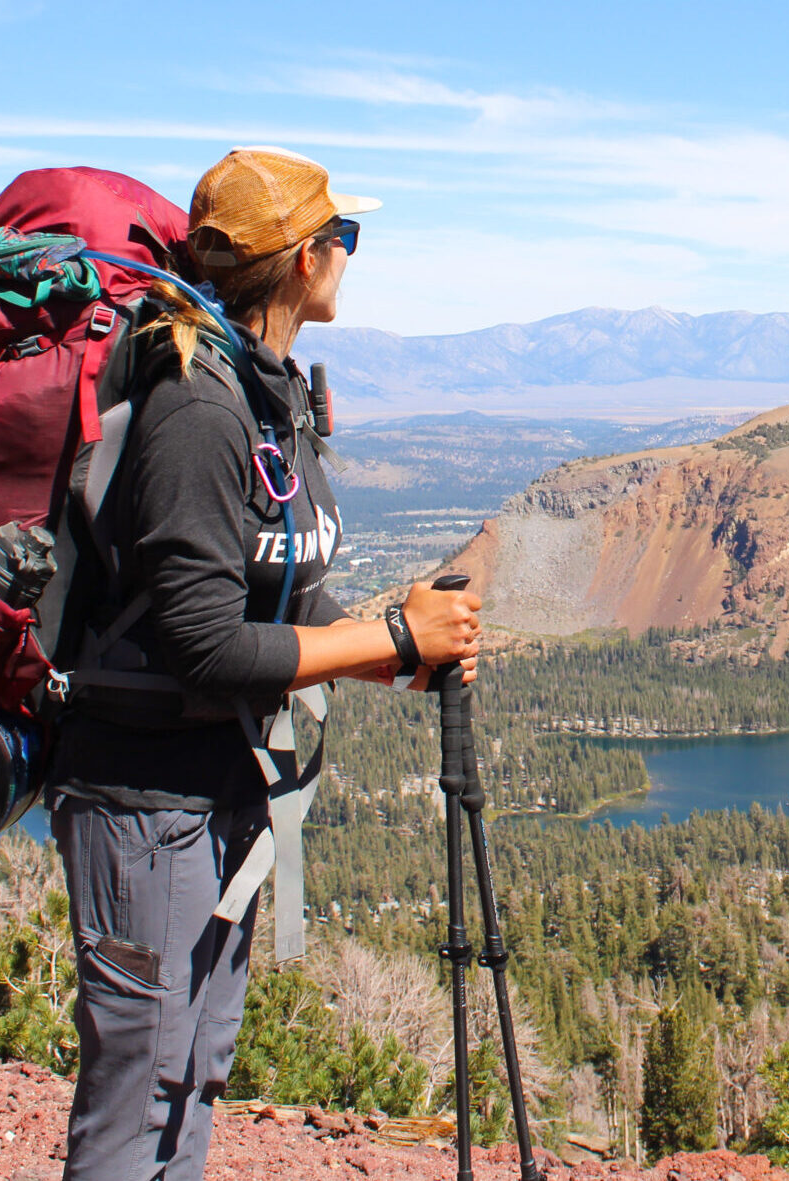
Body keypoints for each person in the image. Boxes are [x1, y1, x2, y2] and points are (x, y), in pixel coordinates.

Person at [46, 146, 479, 1181]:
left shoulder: (263, 391)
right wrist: (394, 639)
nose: (349, 256)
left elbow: (272, 593)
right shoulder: (199, 408)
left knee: (193, 1066)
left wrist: (388, 655)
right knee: (139, 1085)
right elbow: (200, 640)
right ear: (299, 261)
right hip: (144, 795)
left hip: (214, 792)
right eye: (344, 237)